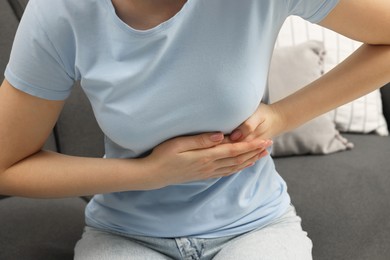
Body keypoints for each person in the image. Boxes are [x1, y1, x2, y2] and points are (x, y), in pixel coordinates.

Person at [0, 0, 389, 259]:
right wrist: (150, 173)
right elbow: (7, 166)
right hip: (126, 235)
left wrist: (284, 116)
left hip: (254, 227)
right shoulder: (60, 11)